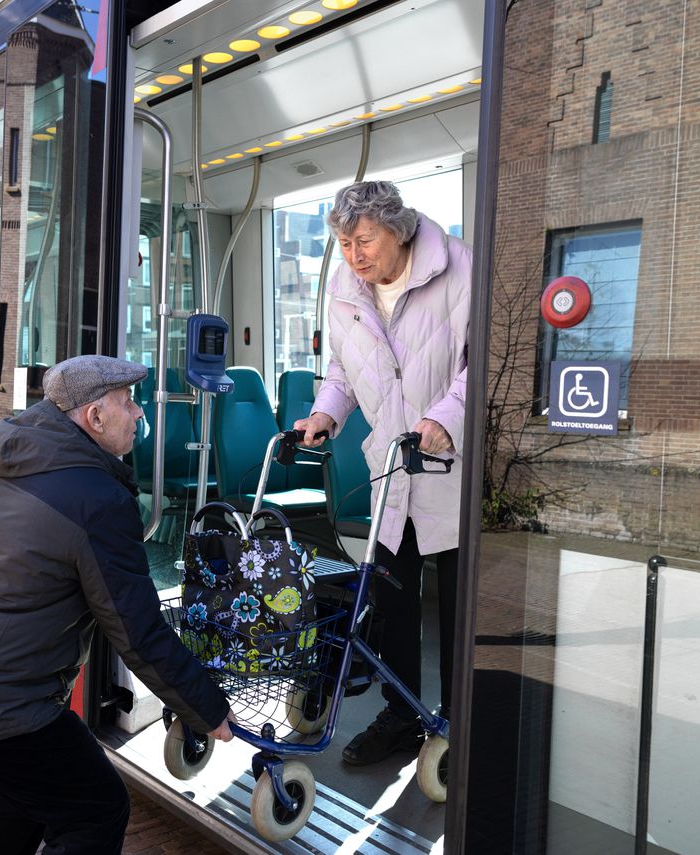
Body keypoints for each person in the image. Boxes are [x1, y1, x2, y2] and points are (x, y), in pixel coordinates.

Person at [0, 354, 234, 855]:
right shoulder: (95, 498)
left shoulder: (13, 455)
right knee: (96, 809)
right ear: (94, 418)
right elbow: (137, 632)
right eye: (128, 403)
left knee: (29, 798)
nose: (139, 414)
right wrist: (205, 707)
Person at [294, 180, 470, 766]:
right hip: (392, 468)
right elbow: (344, 371)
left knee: (459, 609)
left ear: (399, 230)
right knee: (394, 602)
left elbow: (487, 362)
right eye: (343, 243)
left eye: (363, 240)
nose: (354, 254)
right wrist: (324, 413)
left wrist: (447, 416)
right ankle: (402, 719)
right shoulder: (346, 288)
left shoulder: (458, 268)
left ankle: (464, 724)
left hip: (449, 464)